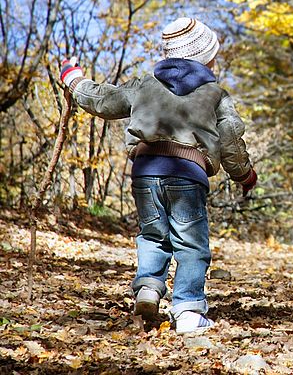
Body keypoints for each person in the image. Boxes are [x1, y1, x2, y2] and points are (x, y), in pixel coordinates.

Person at [59, 17, 257, 334]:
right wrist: (246, 176)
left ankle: (149, 290)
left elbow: (103, 100)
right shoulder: (215, 95)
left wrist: (74, 80)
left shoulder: (144, 86)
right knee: (191, 245)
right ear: (206, 58)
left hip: (146, 172)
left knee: (154, 236)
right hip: (188, 176)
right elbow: (231, 142)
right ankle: (189, 310)